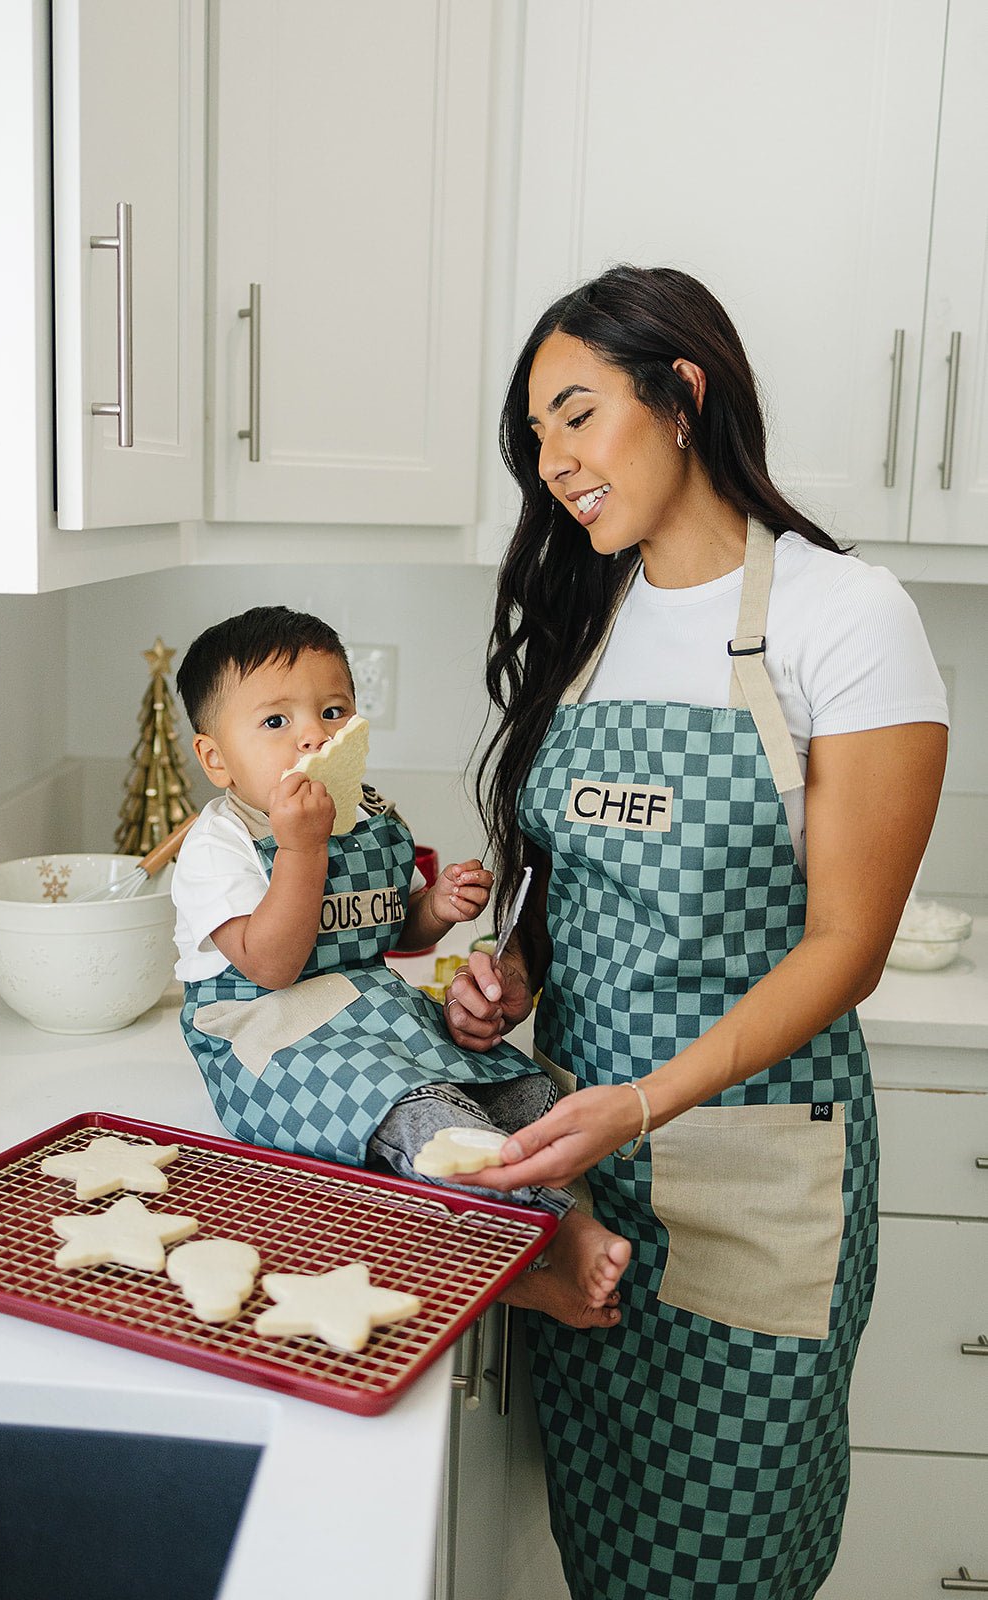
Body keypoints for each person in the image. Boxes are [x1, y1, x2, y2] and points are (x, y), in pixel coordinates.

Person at [442, 266, 949, 1600]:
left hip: (752, 1178)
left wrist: (643, 1102)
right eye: (531, 440)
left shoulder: (843, 618)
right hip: (586, 1169)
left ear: (679, 398)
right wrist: (511, 975)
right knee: (606, 1549)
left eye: (574, 417)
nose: (550, 465)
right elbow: (581, 875)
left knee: (727, 1558)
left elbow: (847, 945)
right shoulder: (587, 616)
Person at [170, 605, 631, 1328]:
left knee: (525, 1094)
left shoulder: (371, 812)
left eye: (331, 711)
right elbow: (271, 966)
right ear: (216, 759)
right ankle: (545, 1254)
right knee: (426, 1122)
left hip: (370, 1012)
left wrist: (438, 907)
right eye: (275, 722)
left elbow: (391, 929)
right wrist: (301, 851)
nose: (314, 736)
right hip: (267, 1038)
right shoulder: (220, 845)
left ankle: (538, 1234)